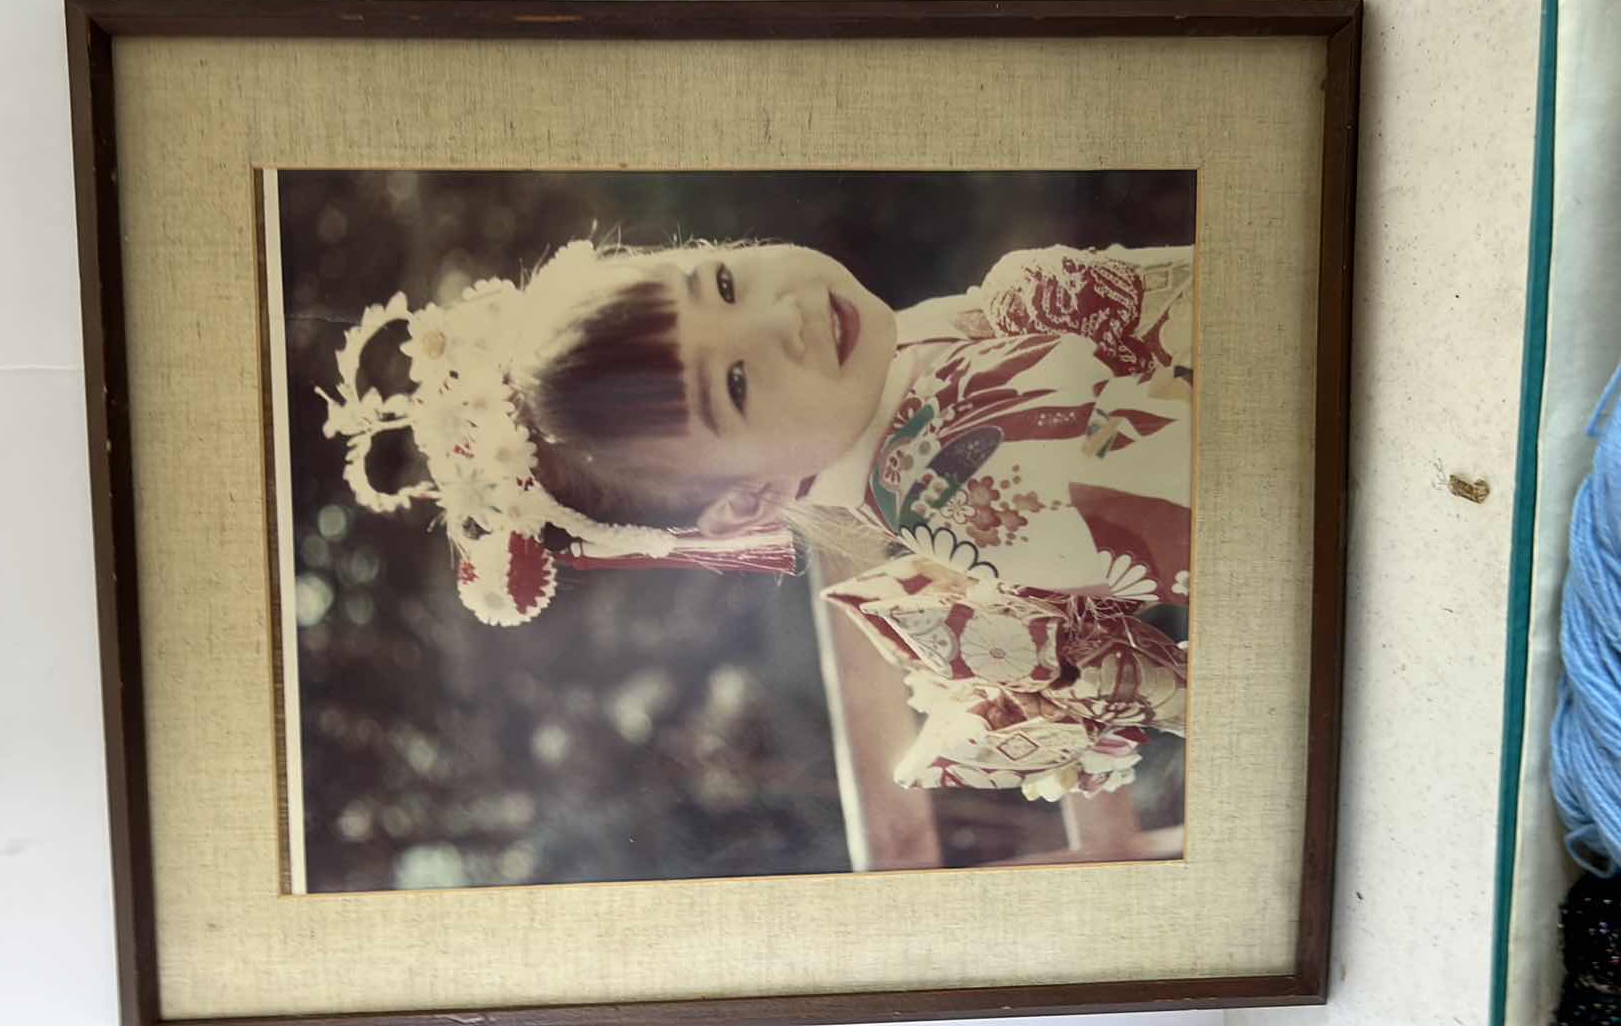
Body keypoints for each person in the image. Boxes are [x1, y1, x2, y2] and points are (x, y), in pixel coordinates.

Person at [316, 237, 1192, 800]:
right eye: (734, 384)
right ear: (748, 500)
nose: (786, 316)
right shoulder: (981, 469)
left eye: (724, 282)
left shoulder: (909, 379)